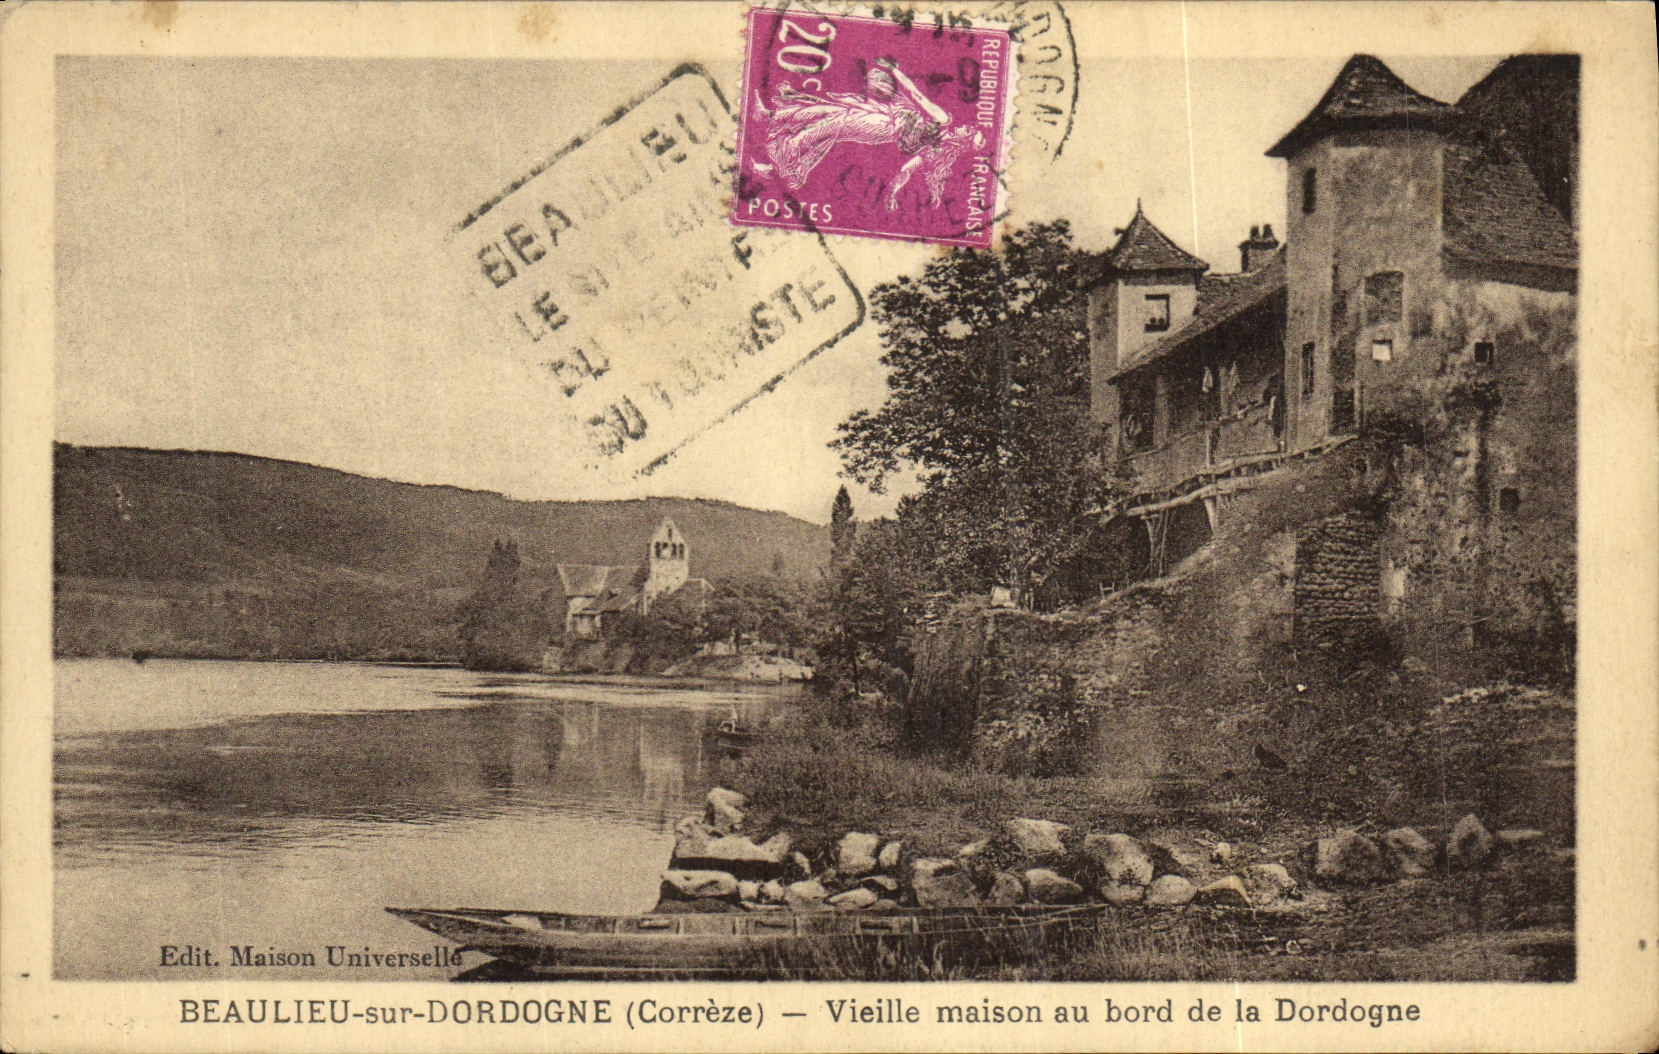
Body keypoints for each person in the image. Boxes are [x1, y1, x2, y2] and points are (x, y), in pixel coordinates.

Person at [751, 58, 984, 210]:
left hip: (885, 126)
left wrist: (895, 70)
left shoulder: (942, 126)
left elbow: (917, 96)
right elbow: (907, 169)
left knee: (833, 123)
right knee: (833, 109)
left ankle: (783, 158)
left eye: (970, 131)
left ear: (964, 140)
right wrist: (893, 192)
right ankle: (773, 124)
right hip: (888, 112)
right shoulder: (938, 145)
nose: (968, 127)